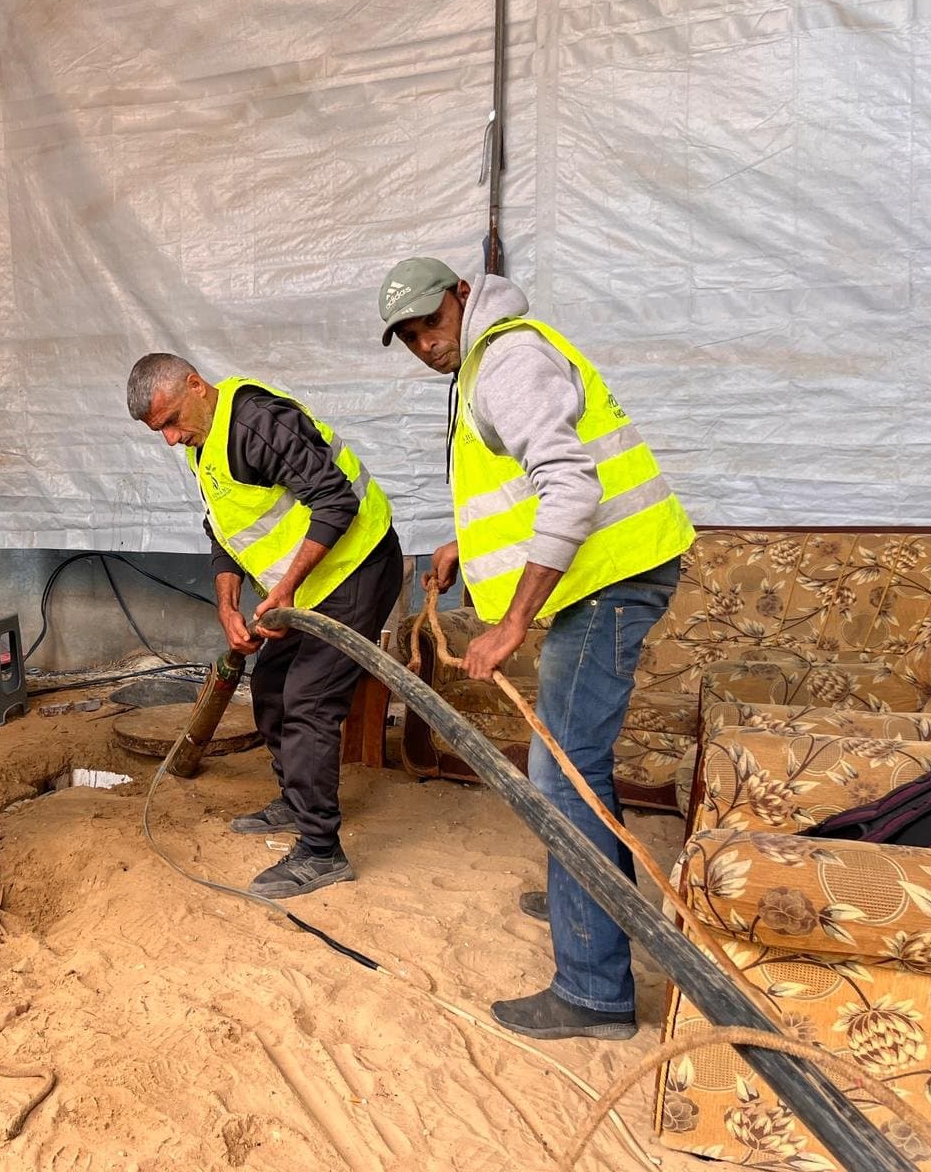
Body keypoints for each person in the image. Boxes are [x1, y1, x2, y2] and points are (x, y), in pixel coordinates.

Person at [378, 256, 693, 1039]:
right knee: (574, 763)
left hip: (612, 582)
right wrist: (463, 542)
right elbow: (526, 484)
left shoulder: (507, 358)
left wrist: (512, 621)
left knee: (561, 771)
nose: (425, 344)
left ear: (462, 295)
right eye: (410, 337)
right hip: (610, 577)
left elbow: (573, 487)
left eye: (430, 323)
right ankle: (586, 898)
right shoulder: (490, 353)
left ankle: (592, 990)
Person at [127, 353, 404, 898]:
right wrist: (227, 607)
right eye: (159, 430)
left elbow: (335, 500)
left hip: (356, 570)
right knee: (273, 689)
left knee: (308, 700)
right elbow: (225, 530)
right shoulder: (202, 440)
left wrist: (285, 587)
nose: (170, 439)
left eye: (171, 422)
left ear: (195, 385)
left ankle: (322, 851)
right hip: (307, 585)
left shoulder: (256, 422)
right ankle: (295, 801)